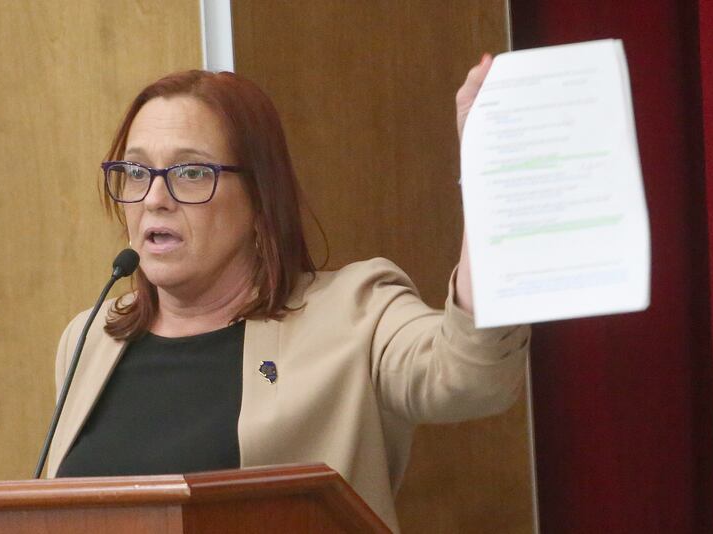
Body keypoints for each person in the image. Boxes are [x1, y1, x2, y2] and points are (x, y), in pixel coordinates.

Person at [45, 54, 530, 533]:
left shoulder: (354, 314)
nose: (154, 199)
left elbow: (470, 376)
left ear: (260, 197)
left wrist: (491, 178)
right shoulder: (91, 339)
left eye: (191, 173)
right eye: (135, 172)